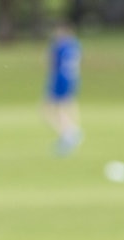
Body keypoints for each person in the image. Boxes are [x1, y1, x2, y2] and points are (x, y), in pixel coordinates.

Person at [43, 21, 82, 156]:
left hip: (60, 78)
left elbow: (52, 63)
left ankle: (69, 133)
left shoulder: (59, 46)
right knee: (67, 104)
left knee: (50, 108)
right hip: (72, 79)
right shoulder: (75, 44)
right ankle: (71, 131)